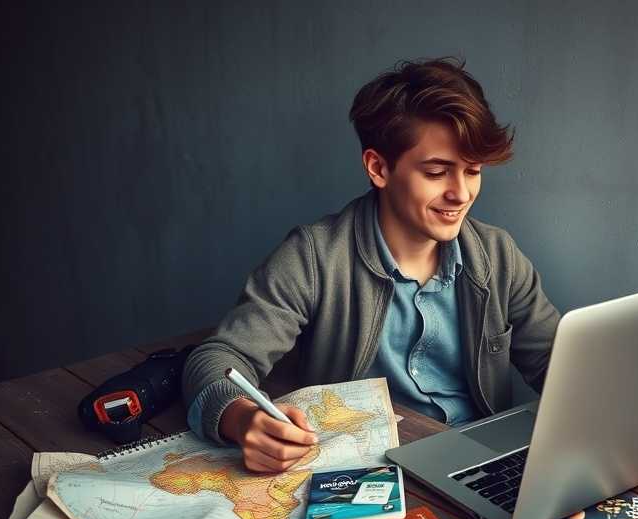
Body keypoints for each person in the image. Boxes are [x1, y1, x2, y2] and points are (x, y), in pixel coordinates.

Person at [182, 56, 560, 473]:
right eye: (437, 172)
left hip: (479, 468)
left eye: (472, 171)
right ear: (378, 168)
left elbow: (560, 368)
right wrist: (242, 420)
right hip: (359, 471)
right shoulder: (314, 257)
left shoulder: (498, 255)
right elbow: (218, 359)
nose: (461, 193)